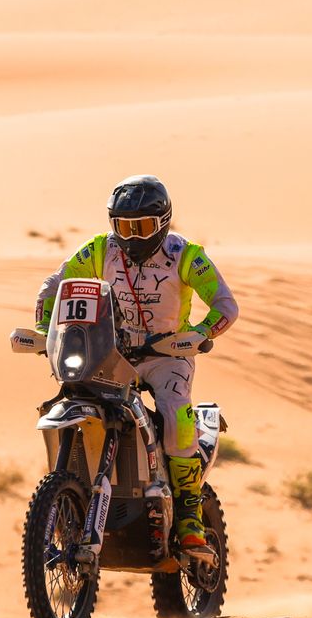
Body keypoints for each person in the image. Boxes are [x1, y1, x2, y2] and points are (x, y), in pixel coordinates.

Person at [34, 175, 239, 557]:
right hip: (112, 352)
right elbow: (54, 287)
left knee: (176, 413)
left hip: (168, 355)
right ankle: (70, 497)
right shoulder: (99, 250)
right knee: (71, 394)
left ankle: (191, 518)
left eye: (142, 227)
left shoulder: (187, 256)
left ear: (162, 222)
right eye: (122, 227)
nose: (131, 236)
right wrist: (45, 329)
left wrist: (198, 334)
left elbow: (226, 308)